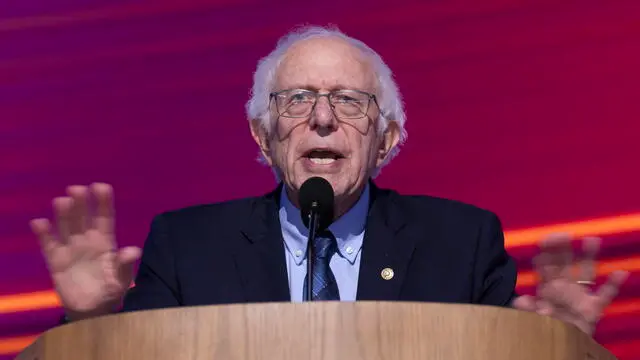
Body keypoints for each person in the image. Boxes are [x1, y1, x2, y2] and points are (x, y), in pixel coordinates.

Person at [30, 25, 628, 335]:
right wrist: (89, 323)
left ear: (387, 139)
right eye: (296, 100)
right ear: (262, 137)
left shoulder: (462, 242)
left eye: (346, 99)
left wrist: (560, 348)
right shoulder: (188, 246)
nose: (321, 116)